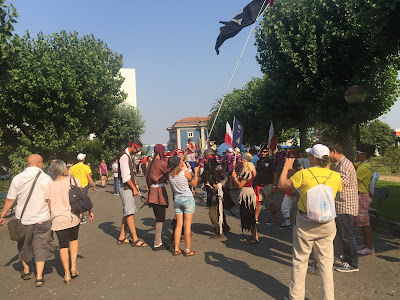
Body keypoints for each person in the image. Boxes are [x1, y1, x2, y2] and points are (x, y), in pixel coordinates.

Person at [278, 144, 342, 300]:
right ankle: (328, 297)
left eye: (309, 156)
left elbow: (281, 185)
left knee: (300, 260)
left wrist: (286, 168)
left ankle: (296, 297)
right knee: (326, 264)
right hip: (327, 222)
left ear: (314, 158)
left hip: (306, 221)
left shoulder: (304, 174)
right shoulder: (335, 176)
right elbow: (340, 188)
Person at [0, 154, 54, 287]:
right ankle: (39, 277)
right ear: (39, 163)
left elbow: (10, 199)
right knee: (41, 246)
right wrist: (55, 215)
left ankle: (26, 270)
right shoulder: (46, 178)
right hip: (42, 218)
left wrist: (2, 215)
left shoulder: (17, 178)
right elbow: (50, 200)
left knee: (24, 245)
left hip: (23, 220)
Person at [45, 160, 94, 284]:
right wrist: (90, 210)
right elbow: (82, 197)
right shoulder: (73, 181)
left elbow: (49, 204)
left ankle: (66, 274)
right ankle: (73, 268)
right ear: (63, 169)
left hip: (58, 219)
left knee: (62, 245)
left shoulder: (49, 185)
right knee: (73, 240)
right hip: (73, 216)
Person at [328, 142, 359, 272]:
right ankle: (347, 258)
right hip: (339, 204)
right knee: (342, 234)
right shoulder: (339, 164)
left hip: (345, 205)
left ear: (334, 152)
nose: (327, 156)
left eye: (328, 153)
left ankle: (352, 264)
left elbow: (340, 184)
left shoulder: (345, 165)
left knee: (347, 236)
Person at [117, 140, 147, 247]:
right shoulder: (124, 157)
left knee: (127, 211)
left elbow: (129, 175)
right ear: (133, 147)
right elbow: (126, 177)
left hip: (127, 186)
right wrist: (134, 188)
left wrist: (135, 184)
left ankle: (121, 237)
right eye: (137, 150)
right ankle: (135, 239)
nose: (138, 152)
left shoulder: (127, 156)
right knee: (130, 212)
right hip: (125, 188)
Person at [168, 155, 199, 256]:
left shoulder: (170, 175)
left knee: (178, 225)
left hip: (177, 200)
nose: (182, 161)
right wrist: (196, 172)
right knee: (187, 226)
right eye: (180, 160)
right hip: (187, 199)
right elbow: (194, 183)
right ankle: (188, 249)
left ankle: (176, 249)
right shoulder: (184, 173)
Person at [201, 149, 233, 239]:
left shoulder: (218, 167)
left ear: (210, 158)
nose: (205, 160)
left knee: (213, 212)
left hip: (219, 193)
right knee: (218, 211)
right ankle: (224, 226)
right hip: (211, 193)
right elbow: (203, 177)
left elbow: (225, 178)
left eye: (206, 159)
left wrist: (219, 185)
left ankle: (218, 230)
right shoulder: (207, 168)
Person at [145, 144, 170, 251]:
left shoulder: (150, 164)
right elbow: (171, 172)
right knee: (160, 219)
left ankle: (158, 241)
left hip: (152, 192)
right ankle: (157, 243)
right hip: (158, 192)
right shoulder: (161, 163)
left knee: (158, 217)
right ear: (161, 152)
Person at [354, 143, 376, 256]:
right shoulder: (362, 164)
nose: (356, 154)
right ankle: (366, 244)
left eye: (358, 153)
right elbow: (353, 165)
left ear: (364, 154)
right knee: (362, 223)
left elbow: (352, 177)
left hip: (362, 196)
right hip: (361, 196)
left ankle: (369, 247)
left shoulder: (364, 168)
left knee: (365, 223)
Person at [232, 152, 258, 244]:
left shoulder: (247, 172)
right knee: (249, 215)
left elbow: (240, 185)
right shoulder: (246, 170)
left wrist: (235, 178)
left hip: (247, 194)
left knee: (249, 215)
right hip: (247, 193)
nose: (241, 161)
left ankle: (254, 236)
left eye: (242, 160)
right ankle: (253, 235)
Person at [253, 146, 277, 225]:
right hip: (259, 184)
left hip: (268, 184)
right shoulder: (259, 161)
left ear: (268, 153)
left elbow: (275, 173)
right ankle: (256, 218)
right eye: (262, 152)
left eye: (265, 152)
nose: (263, 153)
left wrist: (274, 185)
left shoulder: (271, 162)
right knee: (258, 202)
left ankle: (273, 217)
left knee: (270, 202)